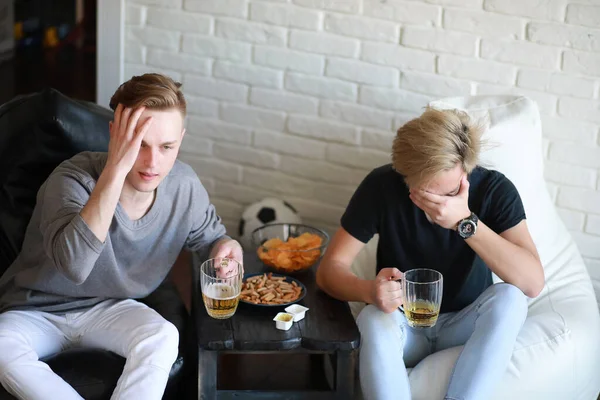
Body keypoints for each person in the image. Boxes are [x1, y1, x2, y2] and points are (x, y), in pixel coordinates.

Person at [0, 73, 242, 400]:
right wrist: (115, 169)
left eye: (166, 146)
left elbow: (212, 238)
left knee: (161, 336)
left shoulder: (184, 186)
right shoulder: (71, 179)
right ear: (114, 134)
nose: (152, 163)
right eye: (139, 145)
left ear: (180, 140)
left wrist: (226, 247)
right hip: (35, 311)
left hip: (109, 308)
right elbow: (75, 266)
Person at [316, 107, 544, 400]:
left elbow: (532, 282)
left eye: (448, 193)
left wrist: (466, 222)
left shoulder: (494, 190)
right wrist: (369, 291)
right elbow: (329, 270)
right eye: (424, 195)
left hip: (465, 322)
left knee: (511, 299)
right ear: (405, 176)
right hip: (404, 325)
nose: (437, 206)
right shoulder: (381, 185)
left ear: (466, 169)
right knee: (372, 317)